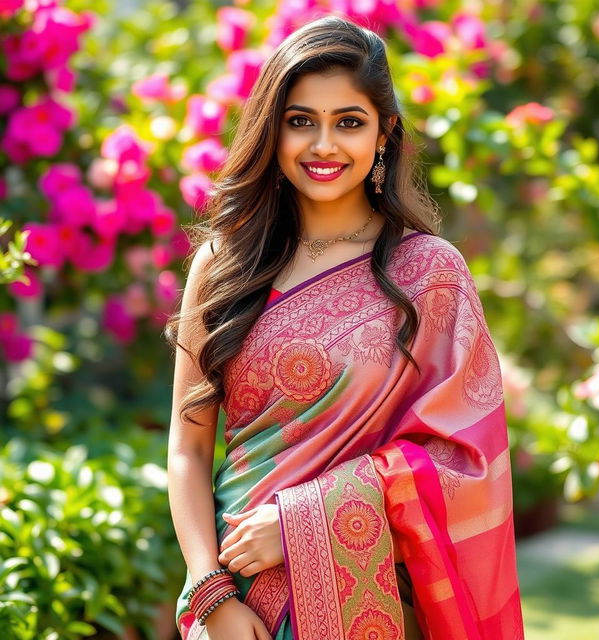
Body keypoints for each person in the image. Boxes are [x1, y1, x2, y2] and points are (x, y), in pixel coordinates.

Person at [165, 14, 524, 640]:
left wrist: (307, 519)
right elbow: (188, 449)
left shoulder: (428, 273)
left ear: (384, 132)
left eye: (348, 123)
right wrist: (208, 591)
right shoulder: (225, 263)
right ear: (272, 130)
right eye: (300, 120)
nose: (323, 145)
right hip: (238, 603)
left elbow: (466, 462)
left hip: (374, 600)